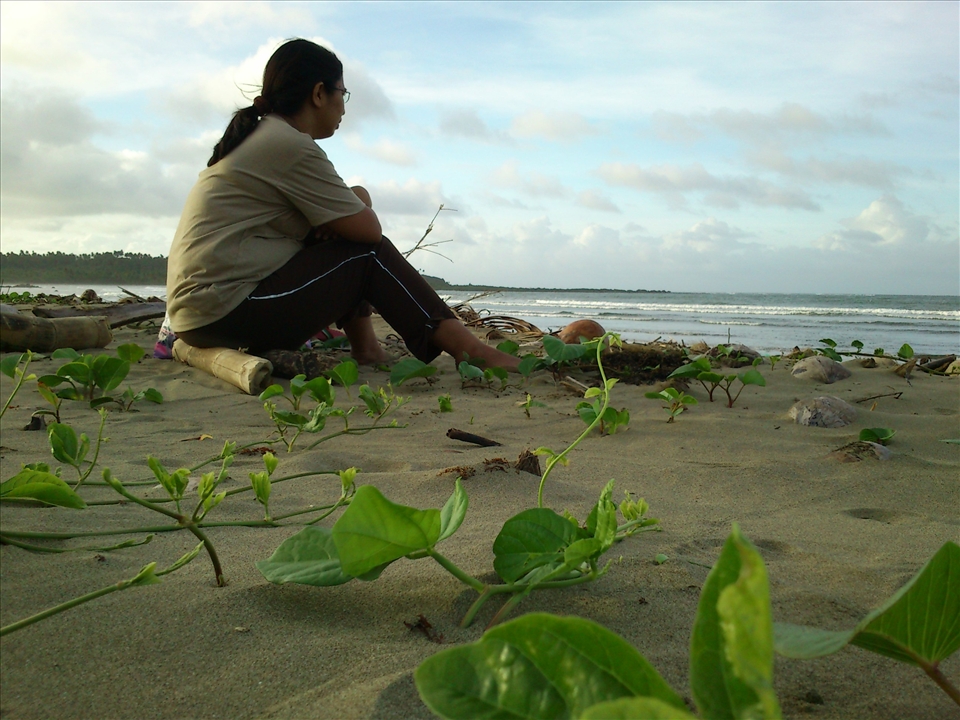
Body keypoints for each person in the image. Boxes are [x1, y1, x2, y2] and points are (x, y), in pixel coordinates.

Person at [166, 38, 519, 372]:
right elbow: (369, 231)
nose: (344, 108)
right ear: (319, 93)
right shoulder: (289, 145)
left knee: (349, 240)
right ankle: (471, 352)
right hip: (222, 310)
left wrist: (351, 206)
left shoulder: (269, 137)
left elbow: (351, 212)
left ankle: (367, 348)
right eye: (342, 93)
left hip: (202, 315)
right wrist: (352, 208)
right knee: (365, 253)